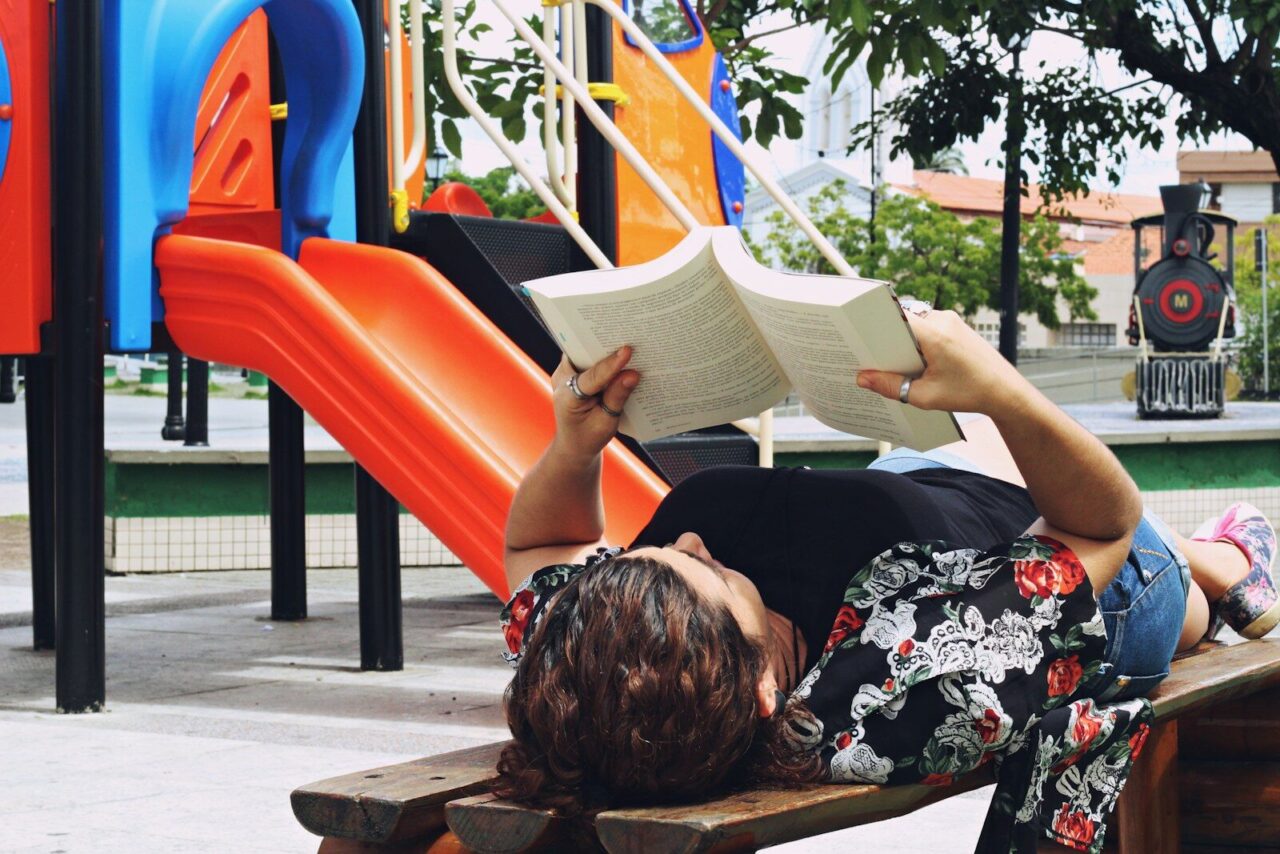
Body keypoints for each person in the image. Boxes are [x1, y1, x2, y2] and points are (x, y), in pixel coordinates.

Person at [495, 309, 1278, 853]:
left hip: (919, 488)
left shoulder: (594, 652)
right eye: (707, 571)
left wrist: (574, 446)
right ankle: (1230, 565)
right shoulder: (914, 668)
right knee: (1168, 592)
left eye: (667, 550)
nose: (692, 539)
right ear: (767, 687)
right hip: (1084, 567)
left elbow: (545, 542)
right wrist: (1004, 388)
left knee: (948, 428)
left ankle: (1209, 559)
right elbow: (1099, 525)